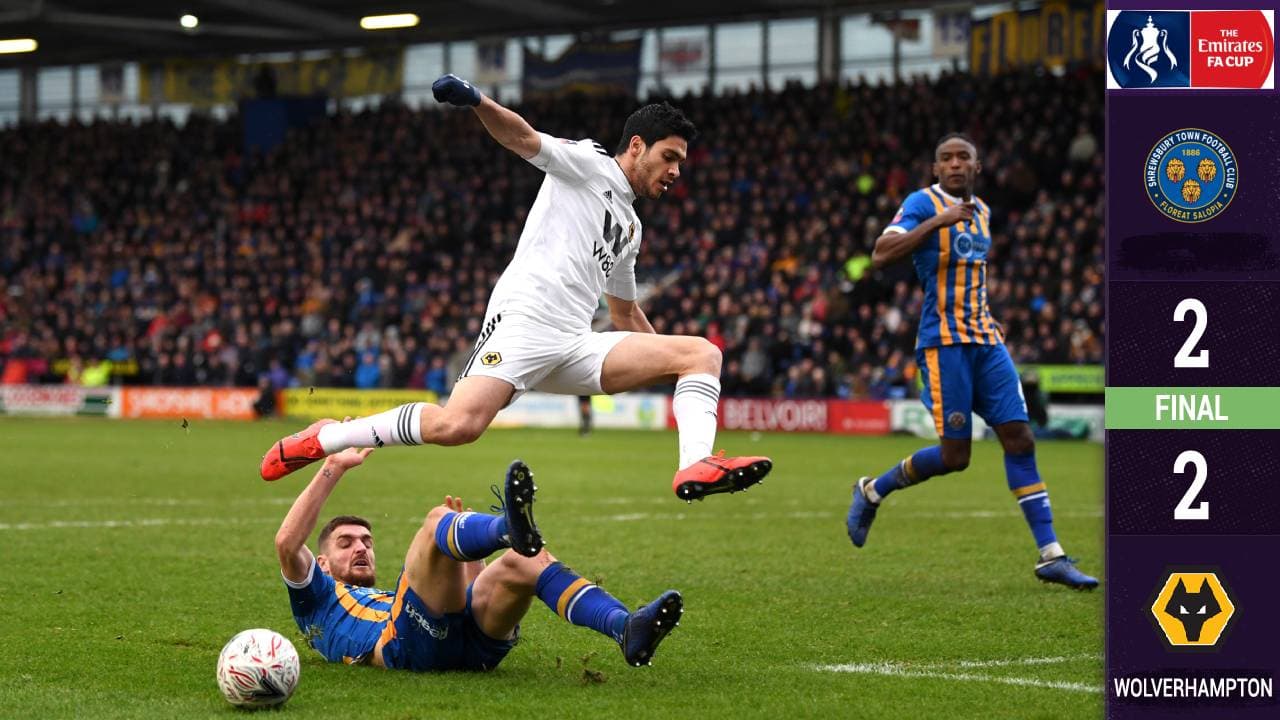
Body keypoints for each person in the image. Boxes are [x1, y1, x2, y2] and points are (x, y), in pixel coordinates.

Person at [260, 74, 771, 503]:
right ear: (636, 146)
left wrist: (669, 365)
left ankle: (695, 464)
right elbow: (524, 139)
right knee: (458, 426)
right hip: (527, 320)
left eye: (681, 162)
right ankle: (325, 437)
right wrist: (477, 100)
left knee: (701, 354)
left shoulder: (632, 229)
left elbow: (624, 314)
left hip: (575, 342)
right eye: (669, 156)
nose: (677, 171)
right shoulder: (588, 163)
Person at [844, 133, 1097, 590]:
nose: (956, 164)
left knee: (1019, 438)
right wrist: (939, 221)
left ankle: (1051, 555)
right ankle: (872, 490)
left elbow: (969, 277)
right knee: (955, 456)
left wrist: (988, 315)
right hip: (943, 343)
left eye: (964, 158)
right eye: (947, 158)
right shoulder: (922, 203)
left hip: (985, 340)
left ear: (977, 168)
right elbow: (882, 253)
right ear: (936, 169)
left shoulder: (983, 213)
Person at [276, 447, 684, 671]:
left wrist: (467, 559)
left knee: (525, 560)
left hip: (469, 649)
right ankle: (499, 527)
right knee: (437, 520)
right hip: (403, 648)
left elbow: (469, 598)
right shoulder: (318, 600)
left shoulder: (386, 598)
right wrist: (332, 467)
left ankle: (623, 627)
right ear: (323, 563)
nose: (361, 547)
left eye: (366, 540)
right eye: (346, 543)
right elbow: (286, 544)